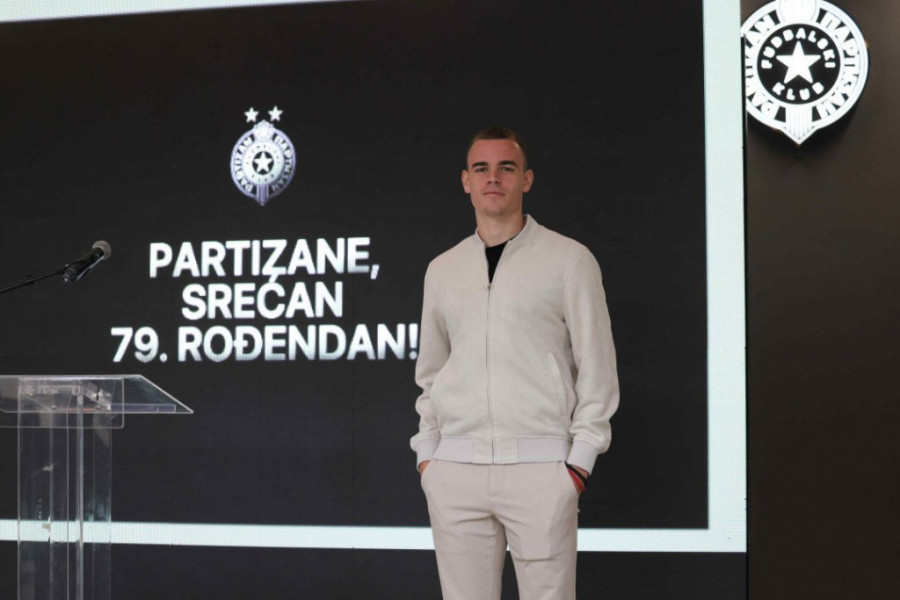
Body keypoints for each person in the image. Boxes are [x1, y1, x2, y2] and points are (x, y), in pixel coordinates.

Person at [410, 126, 620, 600]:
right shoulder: (442, 270)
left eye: (506, 168)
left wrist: (578, 463)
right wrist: (430, 455)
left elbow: (598, 366)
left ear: (526, 179)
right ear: (466, 181)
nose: (493, 178)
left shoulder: (570, 260)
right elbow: (431, 372)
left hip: (542, 469)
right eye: (481, 168)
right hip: (455, 470)